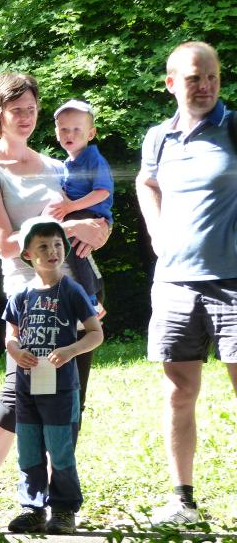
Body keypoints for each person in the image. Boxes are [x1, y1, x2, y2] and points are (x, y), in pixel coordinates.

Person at [0, 73, 110, 521]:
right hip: (28, 301)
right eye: (17, 110)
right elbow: (3, 244)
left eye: (31, 109)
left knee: (68, 401)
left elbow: (92, 219)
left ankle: (57, 505)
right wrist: (68, 226)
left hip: (76, 293)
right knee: (18, 399)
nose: (26, 117)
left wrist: (98, 229)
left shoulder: (54, 165)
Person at [135, 41, 237, 525]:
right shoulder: (159, 137)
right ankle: (183, 502)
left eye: (212, 76)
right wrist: (156, 231)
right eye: (195, 78)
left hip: (232, 280)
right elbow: (146, 182)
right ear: (172, 83)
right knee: (179, 391)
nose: (206, 86)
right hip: (175, 282)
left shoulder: (232, 127)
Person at [3, 217, 103, 534]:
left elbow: (95, 333)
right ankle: (32, 508)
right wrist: (16, 351)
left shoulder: (71, 290)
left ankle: (63, 509)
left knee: (60, 450)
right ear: (27, 254)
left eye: (58, 245)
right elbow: (11, 336)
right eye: (43, 246)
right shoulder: (21, 294)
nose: (52, 251)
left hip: (60, 389)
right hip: (27, 388)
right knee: (29, 450)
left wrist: (71, 350)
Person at [45, 99, 113, 313]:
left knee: (75, 250)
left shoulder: (94, 159)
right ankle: (95, 287)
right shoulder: (66, 164)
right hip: (78, 213)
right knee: (76, 251)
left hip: (91, 214)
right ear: (56, 133)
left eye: (77, 129)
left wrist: (70, 207)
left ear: (91, 133)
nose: (70, 135)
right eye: (64, 129)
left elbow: (102, 192)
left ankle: (91, 297)